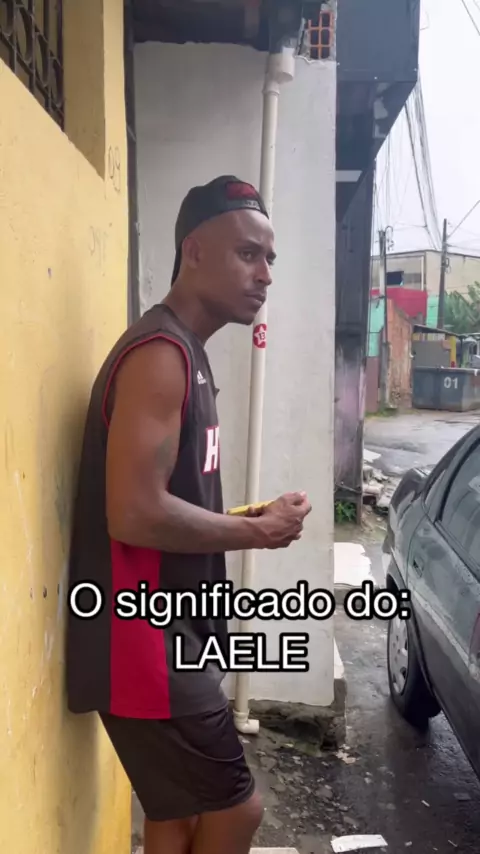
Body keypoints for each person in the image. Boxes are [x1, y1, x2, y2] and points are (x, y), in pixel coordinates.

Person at [66, 175, 312, 854]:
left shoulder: (186, 351)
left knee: (175, 818)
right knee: (238, 811)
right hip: (145, 647)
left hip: (171, 636)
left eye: (270, 259)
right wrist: (256, 532)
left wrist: (248, 514)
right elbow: (133, 513)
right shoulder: (160, 355)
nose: (265, 275)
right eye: (247, 254)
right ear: (194, 251)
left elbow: (168, 495)